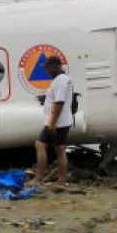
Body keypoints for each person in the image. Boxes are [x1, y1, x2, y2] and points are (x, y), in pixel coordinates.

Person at [30, 58, 74, 188]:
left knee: (40, 145)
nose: (46, 71)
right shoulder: (64, 78)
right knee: (60, 149)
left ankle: (39, 179)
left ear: (54, 67)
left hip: (58, 122)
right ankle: (61, 180)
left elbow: (59, 103)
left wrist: (52, 123)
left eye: (47, 68)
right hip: (64, 121)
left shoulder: (60, 81)